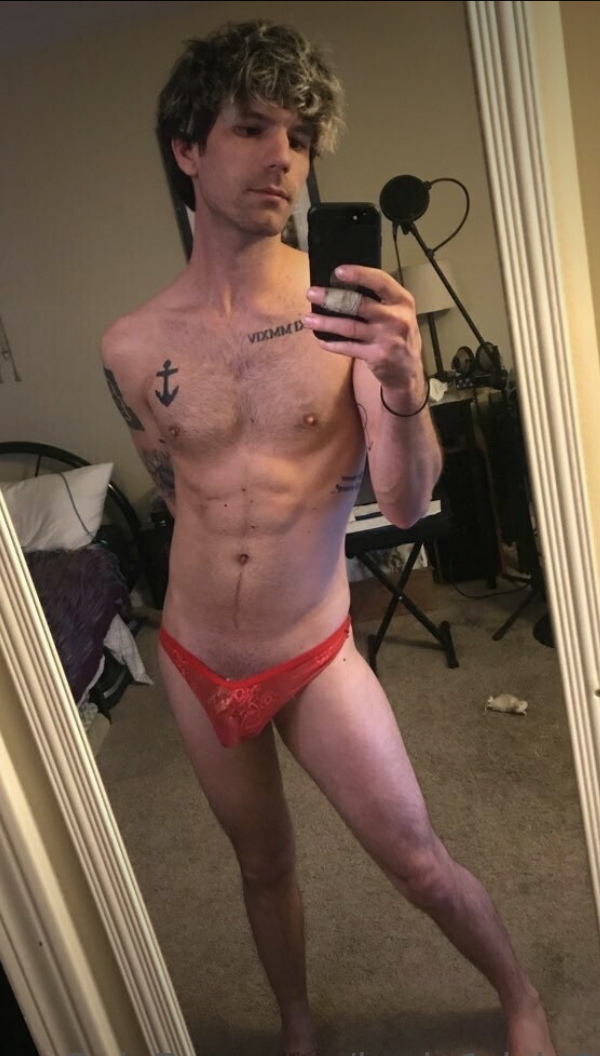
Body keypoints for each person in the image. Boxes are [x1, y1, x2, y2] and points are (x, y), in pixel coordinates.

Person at [101, 20, 556, 1056]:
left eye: (301, 138)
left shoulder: (342, 314)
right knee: (261, 865)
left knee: (417, 860)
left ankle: (521, 994)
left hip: (311, 650)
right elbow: (181, 494)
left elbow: (406, 503)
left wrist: (402, 385)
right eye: (253, 127)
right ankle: (298, 1025)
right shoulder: (128, 347)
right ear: (187, 147)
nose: (284, 158)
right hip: (192, 653)